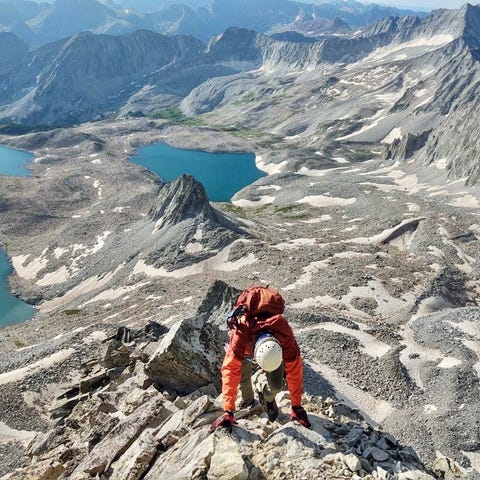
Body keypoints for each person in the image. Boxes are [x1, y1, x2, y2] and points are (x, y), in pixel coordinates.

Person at [210, 286, 311, 432]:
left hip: (269, 350)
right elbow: (230, 370)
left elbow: (295, 369)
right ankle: (248, 400)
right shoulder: (241, 330)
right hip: (244, 346)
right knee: (242, 375)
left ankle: (267, 397)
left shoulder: (283, 333)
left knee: (276, 386)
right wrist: (228, 412)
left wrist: (296, 406)